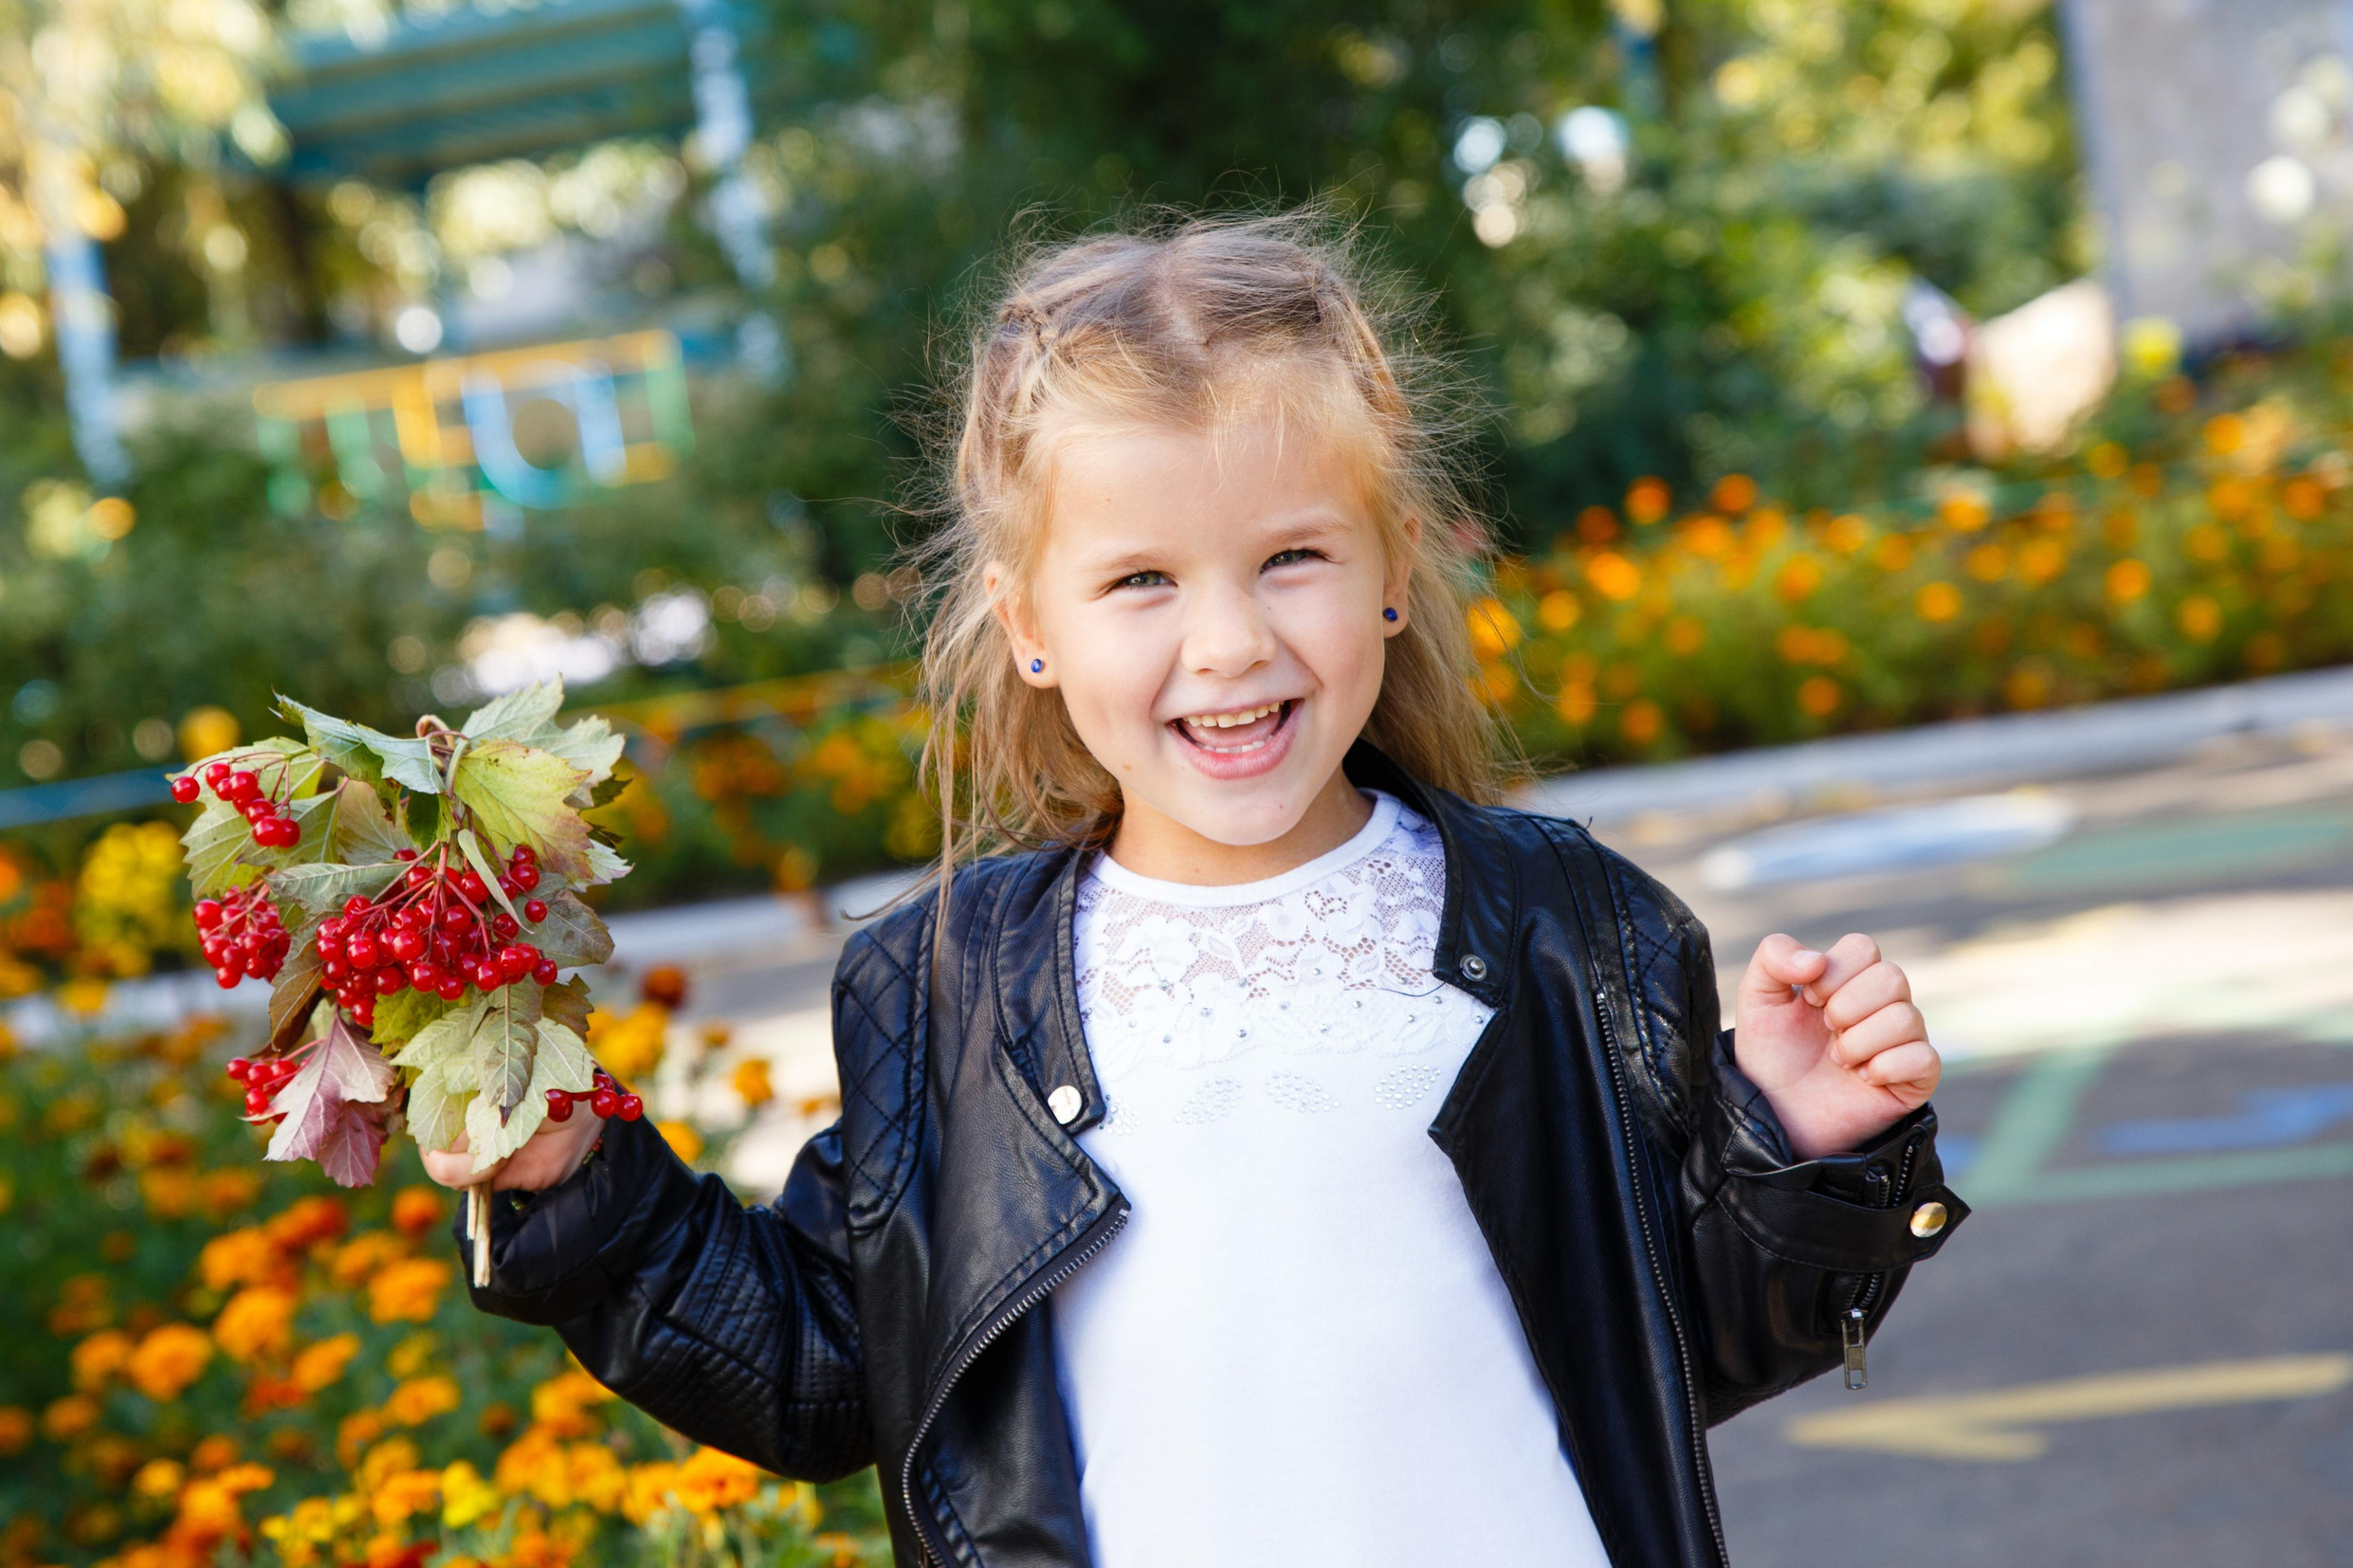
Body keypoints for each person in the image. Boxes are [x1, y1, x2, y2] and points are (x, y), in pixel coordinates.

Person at [421, 210, 1967, 1568]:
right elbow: (836, 1367)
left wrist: (1797, 1146)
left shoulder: (1566, 925)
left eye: (1291, 556)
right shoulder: (949, 989)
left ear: (1393, 565)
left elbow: (1673, 1340)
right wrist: (582, 1194)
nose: (1226, 644)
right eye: (1142, 581)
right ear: (1032, 621)